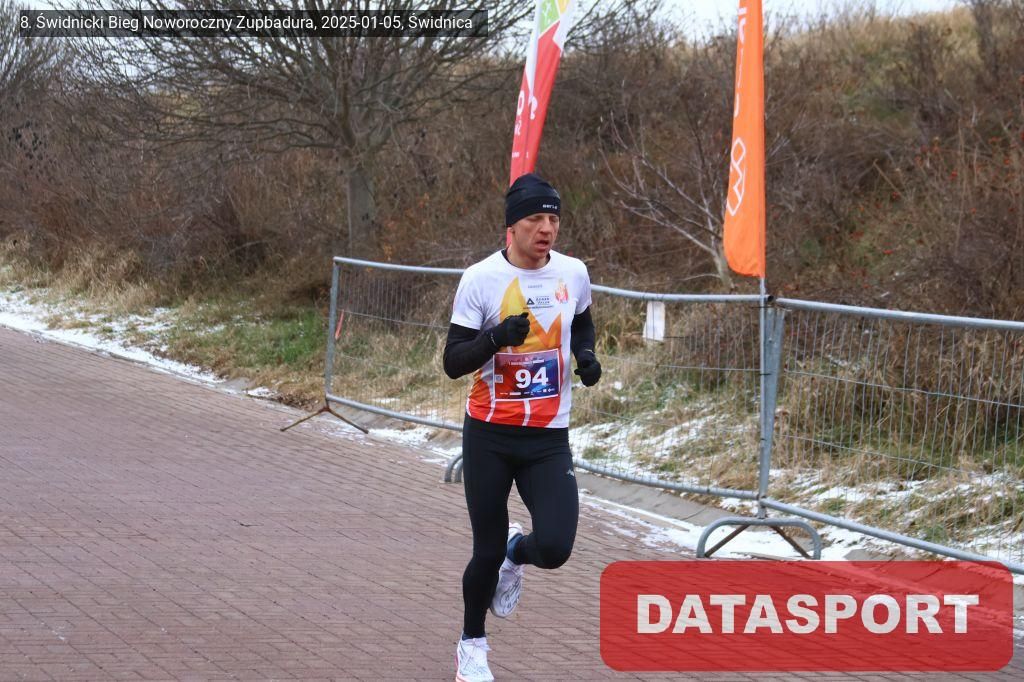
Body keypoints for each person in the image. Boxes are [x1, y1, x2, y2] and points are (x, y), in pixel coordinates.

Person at [442, 173, 602, 682]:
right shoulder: (481, 279)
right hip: (489, 434)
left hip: (548, 438)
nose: (546, 229)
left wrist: (585, 354)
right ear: (512, 226)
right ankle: (472, 645)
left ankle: (520, 552)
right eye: (535, 218)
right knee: (484, 551)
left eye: (553, 219)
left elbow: (582, 320)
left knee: (555, 547)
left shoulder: (573, 273)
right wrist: (494, 338)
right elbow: (452, 361)